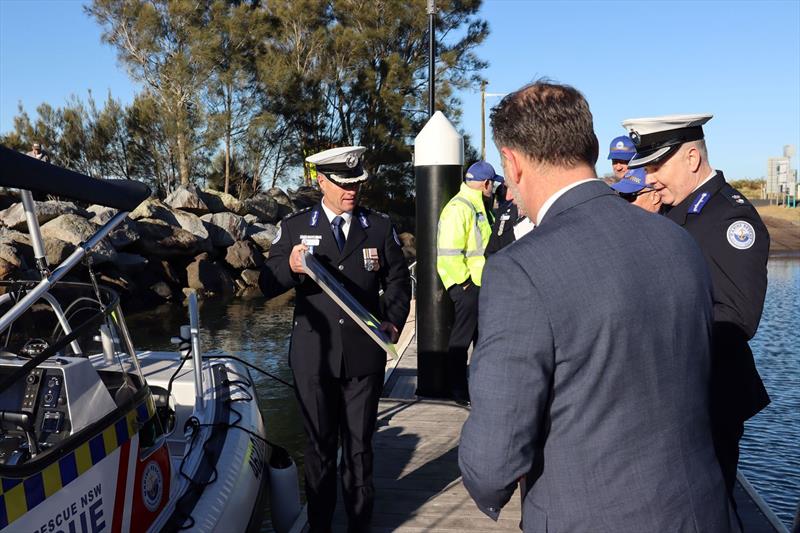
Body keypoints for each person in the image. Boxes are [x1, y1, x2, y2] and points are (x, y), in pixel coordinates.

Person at [459, 81, 737, 531]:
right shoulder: (678, 241)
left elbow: (493, 460)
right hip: (699, 511)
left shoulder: (520, 270)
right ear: (586, 145)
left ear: (511, 162)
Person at [259, 146, 410, 533]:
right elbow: (266, 283)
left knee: (359, 450)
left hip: (364, 359)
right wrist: (291, 267)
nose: (352, 191)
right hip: (314, 358)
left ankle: (360, 525)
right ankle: (321, 525)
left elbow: (397, 279)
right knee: (320, 451)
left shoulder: (377, 226)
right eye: (343, 184)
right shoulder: (294, 228)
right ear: (321, 181)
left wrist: (393, 319)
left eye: (357, 183)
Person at [623, 113, 771, 502]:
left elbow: (735, 318)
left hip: (706, 400)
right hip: (670, 400)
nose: (650, 177)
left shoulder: (728, 218)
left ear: (691, 158)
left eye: (657, 165)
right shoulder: (675, 212)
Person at [436, 160, 502, 404]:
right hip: (468, 285)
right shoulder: (460, 208)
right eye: (492, 185)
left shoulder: (477, 206)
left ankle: (473, 389)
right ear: (486, 183)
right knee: (461, 340)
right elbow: (449, 252)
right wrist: (463, 284)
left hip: (478, 283)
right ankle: (458, 390)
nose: (493, 189)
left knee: (480, 340)